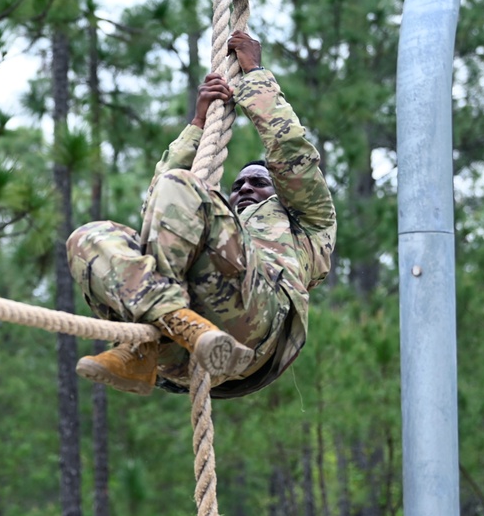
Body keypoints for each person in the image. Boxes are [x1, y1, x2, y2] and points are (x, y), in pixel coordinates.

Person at [68, 31, 336, 398]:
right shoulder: (207, 224)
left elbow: (293, 157)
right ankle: (161, 332)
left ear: (280, 192)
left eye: (257, 183)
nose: (242, 189)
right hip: (181, 351)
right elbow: (159, 205)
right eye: (237, 184)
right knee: (87, 238)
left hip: (250, 328)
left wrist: (255, 74)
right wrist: (198, 124)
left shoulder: (308, 223)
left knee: (181, 185)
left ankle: (161, 322)